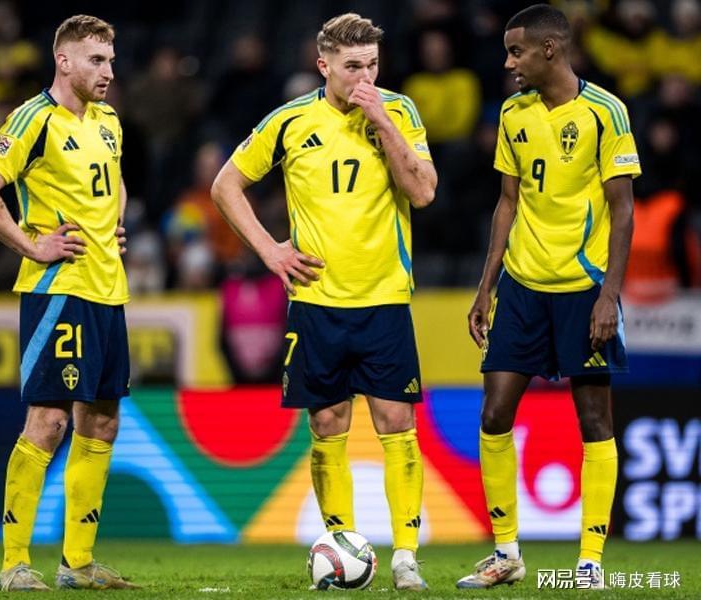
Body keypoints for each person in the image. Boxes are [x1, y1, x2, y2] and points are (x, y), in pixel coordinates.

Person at [211, 13, 437, 591]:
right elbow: (225, 185)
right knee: (328, 422)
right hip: (317, 301)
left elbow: (423, 192)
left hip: (384, 296)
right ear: (324, 66)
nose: (365, 77)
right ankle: (340, 546)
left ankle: (406, 557)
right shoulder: (289, 121)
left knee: (397, 422)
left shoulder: (399, 111)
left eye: (373, 65)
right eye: (353, 66)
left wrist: (382, 121)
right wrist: (269, 250)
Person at [459, 4, 641, 590]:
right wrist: (486, 286)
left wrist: (609, 295)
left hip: (582, 288)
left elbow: (622, 209)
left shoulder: (605, 111)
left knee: (594, 420)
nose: (508, 63)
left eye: (516, 52)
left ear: (550, 50)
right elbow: (507, 202)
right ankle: (506, 553)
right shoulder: (512, 113)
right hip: (521, 286)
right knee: (494, 414)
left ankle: (589, 562)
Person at [0, 15, 137, 591]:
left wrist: (113, 223)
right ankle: (14, 563)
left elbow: (114, 181)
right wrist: (33, 246)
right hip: (58, 291)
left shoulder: (108, 121)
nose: (108, 72)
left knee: (103, 420)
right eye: (96, 60)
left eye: (110, 60)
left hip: (108, 289)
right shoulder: (32, 119)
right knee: (50, 419)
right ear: (63, 61)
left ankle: (77, 564)